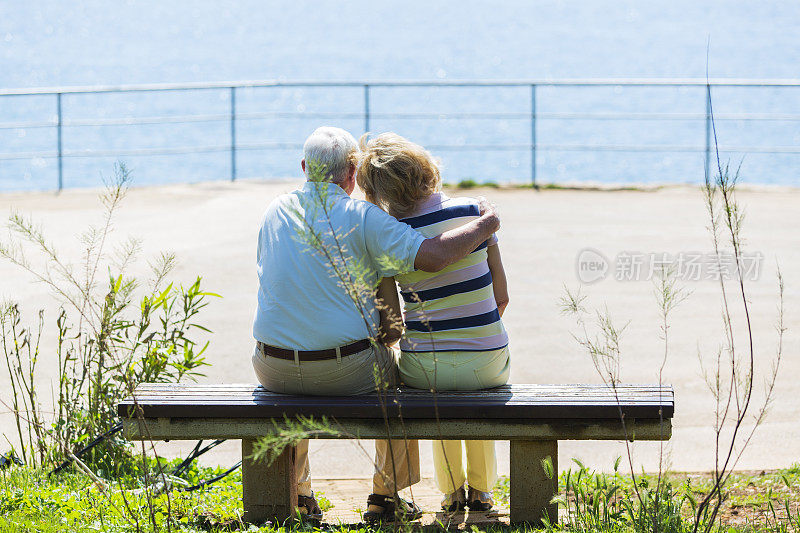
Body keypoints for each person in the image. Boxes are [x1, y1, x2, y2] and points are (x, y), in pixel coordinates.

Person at [252, 126, 501, 522]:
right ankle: (385, 496)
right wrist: (488, 223)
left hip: (271, 367)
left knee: (294, 387)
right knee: (397, 374)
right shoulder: (362, 216)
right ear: (353, 171)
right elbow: (434, 255)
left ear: (303, 167)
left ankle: (298, 494)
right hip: (343, 369)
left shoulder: (274, 210)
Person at [356, 132, 510, 513]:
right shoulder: (475, 211)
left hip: (426, 365)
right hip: (487, 357)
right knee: (477, 392)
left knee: (439, 392)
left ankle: (452, 492)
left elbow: (391, 324)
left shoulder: (390, 237)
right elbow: (502, 296)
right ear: (425, 166)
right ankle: (482, 491)